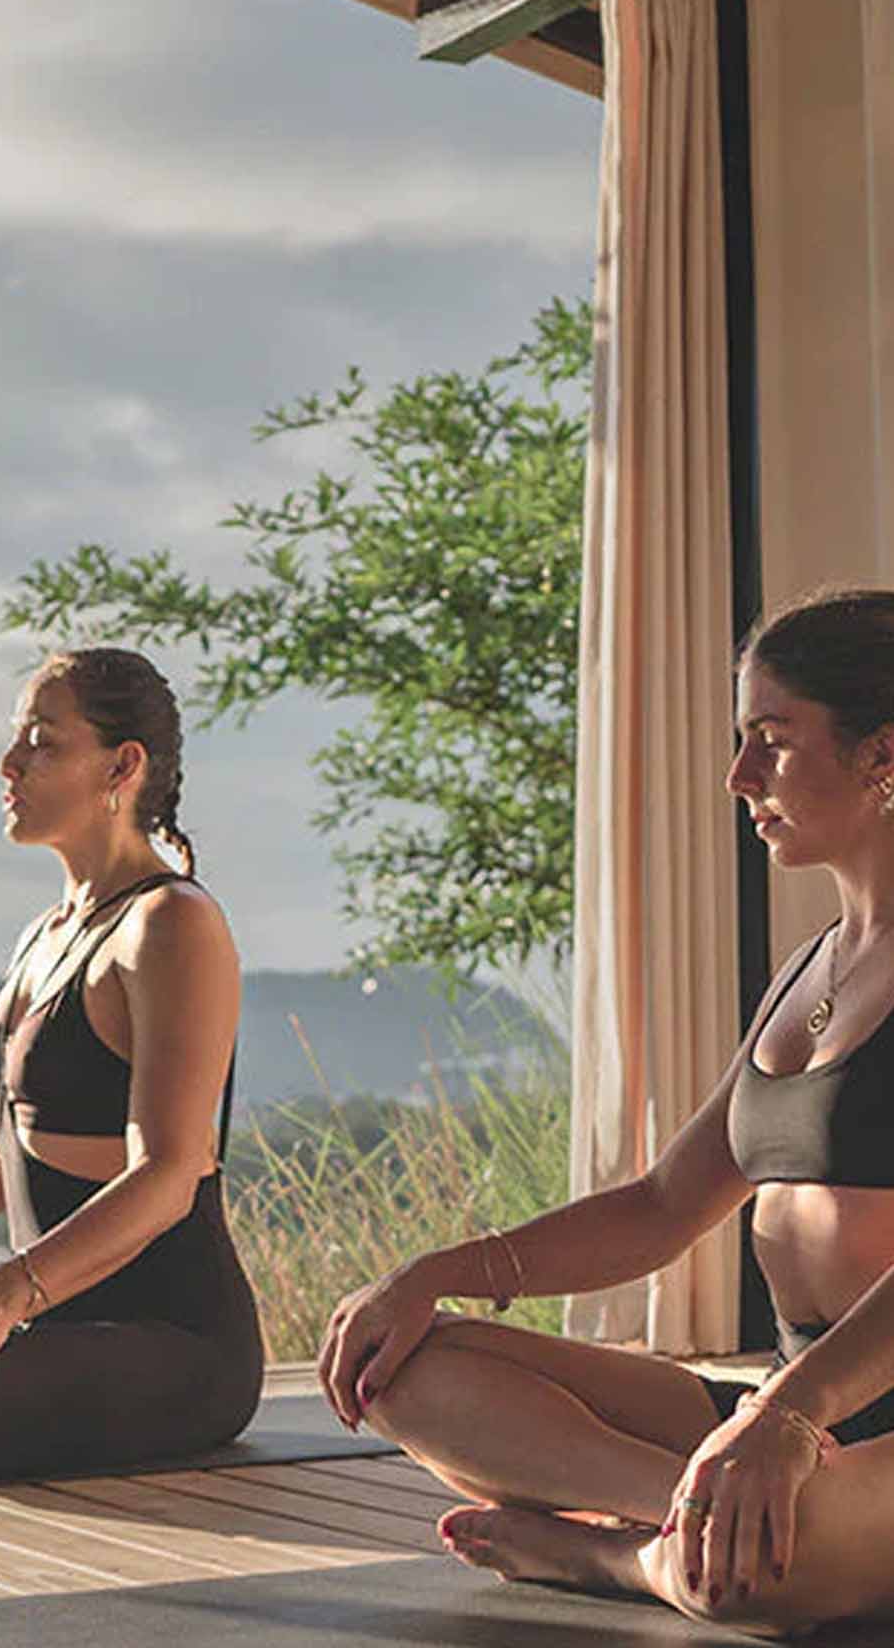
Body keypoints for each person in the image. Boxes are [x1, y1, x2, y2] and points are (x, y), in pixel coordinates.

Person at [320, 589, 894, 1638]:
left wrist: (790, 1413)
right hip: (783, 1414)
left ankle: (617, 1554)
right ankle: (698, 1516)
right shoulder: (810, 967)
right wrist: (432, 1275)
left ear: (882, 754)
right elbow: (661, 1206)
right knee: (401, 1367)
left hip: (823, 1417)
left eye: (771, 741)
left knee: (788, 1567)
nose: (739, 776)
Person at [0, 646, 263, 1476]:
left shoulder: (169, 924)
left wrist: (8, 1292)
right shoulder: (42, 939)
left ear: (122, 766)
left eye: (42, 741)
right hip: (59, 1334)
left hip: (175, 1347)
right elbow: (7, 1164)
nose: (9, 764)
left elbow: (170, 1173)